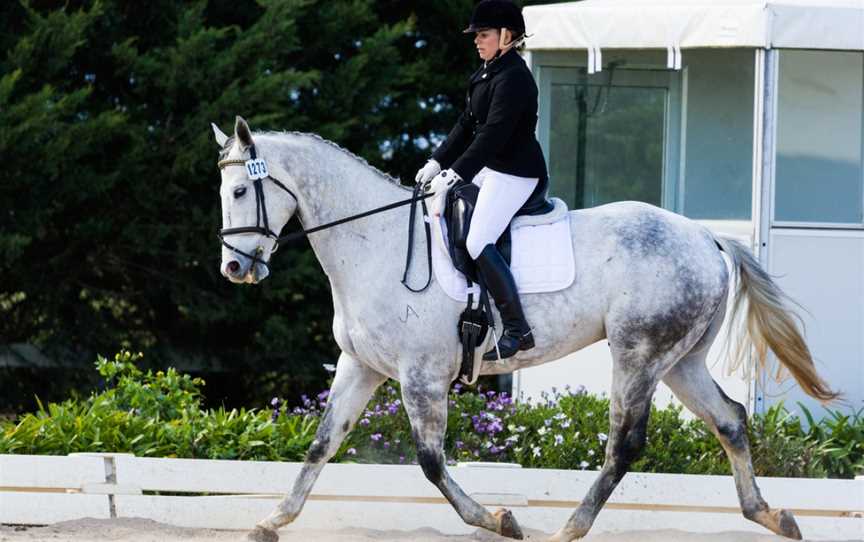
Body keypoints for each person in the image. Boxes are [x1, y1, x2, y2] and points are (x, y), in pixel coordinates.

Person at [415, 0, 550, 361]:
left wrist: (456, 172)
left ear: (507, 36)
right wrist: (436, 161)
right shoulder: (488, 72)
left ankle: (518, 329)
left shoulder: (515, 78)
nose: (477, 40)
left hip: (517, 172)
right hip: (492, 168)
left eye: (484, 34)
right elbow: (466, 124)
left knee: (477, 240)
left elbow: (493, 134)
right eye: (476, 35)